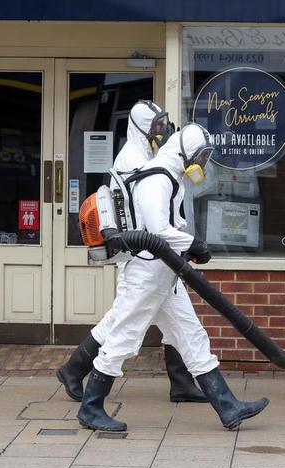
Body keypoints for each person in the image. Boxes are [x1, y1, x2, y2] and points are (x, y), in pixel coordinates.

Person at [74, 120, 269, 432]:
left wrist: (186, 248)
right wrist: (193, 244)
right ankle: (91, 407)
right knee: (123, 337)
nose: (202, 162)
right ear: (185, 153)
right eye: (201, 155)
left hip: (163, 273)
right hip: (148, 272)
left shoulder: (167, 175)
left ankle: (228, 406)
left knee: (192, 337)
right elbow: (156, 229)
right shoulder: (158, 179)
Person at [57, 101, 207, 406]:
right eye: (156, 126)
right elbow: (141, 211)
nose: (162, 131)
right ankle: (74, 371)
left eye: (163, 125)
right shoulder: (132, 158)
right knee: (121, 322)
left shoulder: (147, 154)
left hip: (158, 257)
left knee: (176, 321)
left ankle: (181, 383)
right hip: (142, 257)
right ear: (141, 127)